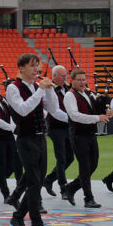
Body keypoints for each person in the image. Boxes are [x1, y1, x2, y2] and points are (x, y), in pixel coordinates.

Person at [5, 53, 61, 226]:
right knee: (34, 182)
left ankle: (18, 217)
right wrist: (40, 91)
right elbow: (22, 109)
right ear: (21, 68)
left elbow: (52, 108)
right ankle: (37, 225)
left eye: (37, 65)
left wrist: (49, 89)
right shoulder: (13, 87)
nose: (36, 69)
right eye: (32, 65)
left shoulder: (38, 86)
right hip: (26, 138)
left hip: (40, 138)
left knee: (37, 181)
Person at [62, 69, 110, 208]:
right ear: (72, 81)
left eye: (84, 79)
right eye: (79, 79)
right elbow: (74, 116)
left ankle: (70, 188)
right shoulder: (70, 96)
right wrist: (97, 118)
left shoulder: (88, 94)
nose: (83, 82)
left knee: (93, 165)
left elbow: (95, 110)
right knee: (85, 167)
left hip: (90, 134)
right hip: (78, 134)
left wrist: (106, 113)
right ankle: (88, 198)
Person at [42, 65, 72, 197]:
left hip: (68, 127)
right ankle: (63, 187)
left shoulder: (67, 89)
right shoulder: (50, 89)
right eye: (61, 75)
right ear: (54, 76)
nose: (64, 78)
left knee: (70, 157)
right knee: (61, 158)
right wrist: (72, 118)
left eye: (65, 75)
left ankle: (48, 180)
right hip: (56, 128)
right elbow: (54, 111)